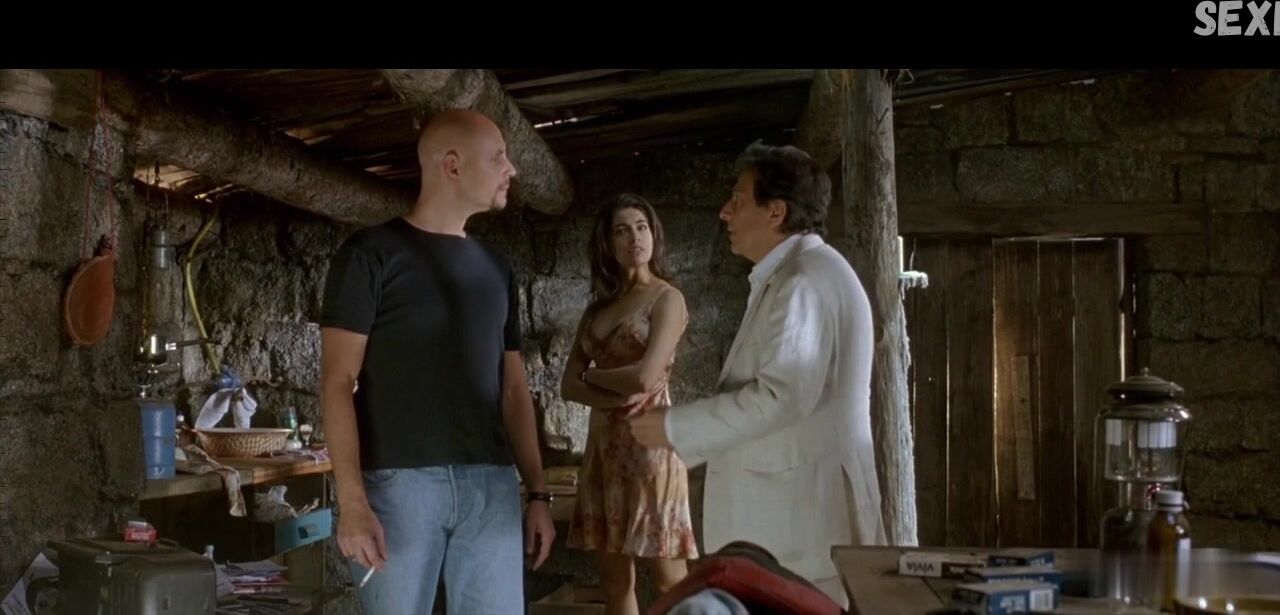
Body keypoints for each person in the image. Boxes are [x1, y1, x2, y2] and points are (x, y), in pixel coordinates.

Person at [628, 142, 888, 606]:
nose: (725, 213)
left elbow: (781, 397)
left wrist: (674, 427)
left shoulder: (803, 282)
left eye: (738, 200)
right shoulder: (801, 273)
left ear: (776, 212)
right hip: (800, 514)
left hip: (800, 519)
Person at [319, 109, 554, 615]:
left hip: (491, 484)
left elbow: (514, 389)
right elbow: (337, 381)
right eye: (498, 157)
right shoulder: (369, 254)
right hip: (398, 487)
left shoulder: (498, 268)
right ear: (452, 165)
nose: (511, 169)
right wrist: (352, 502)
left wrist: (538, 494)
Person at [560, 194, 699, 615]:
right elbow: (568, 385)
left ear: (653, 235)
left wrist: (595, 376)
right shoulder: (596, 310)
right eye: (621, 230)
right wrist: (606, 385)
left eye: (641, 227)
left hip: (651, 449)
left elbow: (644, 378)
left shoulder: (667, 298)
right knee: (615, 580)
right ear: (608, 243)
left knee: (670, 577)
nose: (634, 238)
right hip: (603, 451)